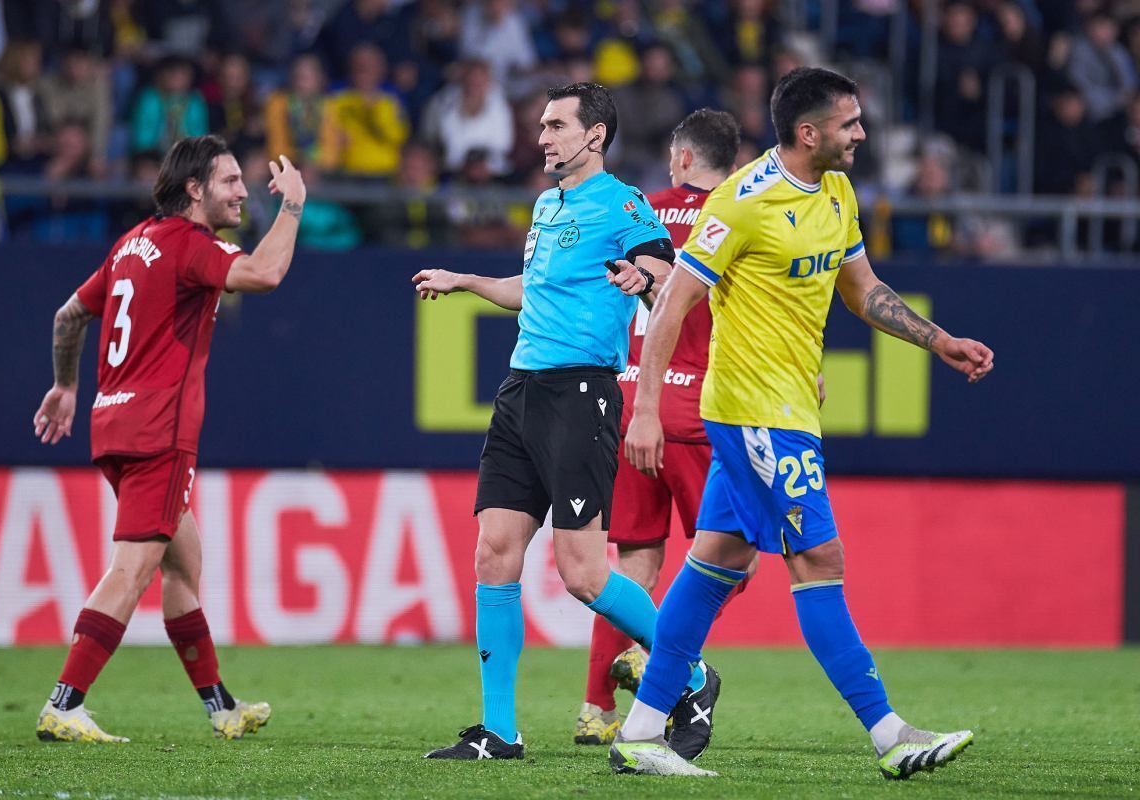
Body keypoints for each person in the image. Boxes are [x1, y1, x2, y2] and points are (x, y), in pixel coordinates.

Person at [608, 67, 994, 779]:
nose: (862, 134)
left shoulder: (838, 192)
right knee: (820, 561)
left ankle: (639, 733)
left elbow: (863, 290)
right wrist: (647, 410)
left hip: (788, 409)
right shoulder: (742, 202)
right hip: (754, 413)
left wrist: (938, 340)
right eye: (850, 123)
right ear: (809, 132)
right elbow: (672, 304)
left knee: (716, 563)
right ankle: (890, 735)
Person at [412, 82, 714, 761]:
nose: (542, 136)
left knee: (582, 573)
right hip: (521, 390)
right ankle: (499, 731)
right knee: (493, 551)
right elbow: (533, 291)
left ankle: (692, 674)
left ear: (594, 135)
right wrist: (465, 281)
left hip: (581, 392)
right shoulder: (547, 205)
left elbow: (659, 264)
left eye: (555, 125)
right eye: (542, 126)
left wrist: (641, 277)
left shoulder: (623, 201)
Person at [31, 135, 306, 743]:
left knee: (183, 564)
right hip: (160, 430)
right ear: (194, 189)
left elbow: (67, 316)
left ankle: (220, 707)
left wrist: (66, 386)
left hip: (114, 423)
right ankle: (63, 702)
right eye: (230, 181)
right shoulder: (189, 245)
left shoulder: (131, 243)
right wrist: (292, 206)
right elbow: (265, 273)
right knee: (131, 569)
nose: (242, 192)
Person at [574, 108, 748, 756]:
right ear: (730, 164)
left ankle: (595, 707)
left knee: (633, 567)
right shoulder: (736, 217)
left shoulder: (639, 212)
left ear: (681, 158)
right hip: (695, 406)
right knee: (735, 558)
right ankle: (657, 657)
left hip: (627, 399)